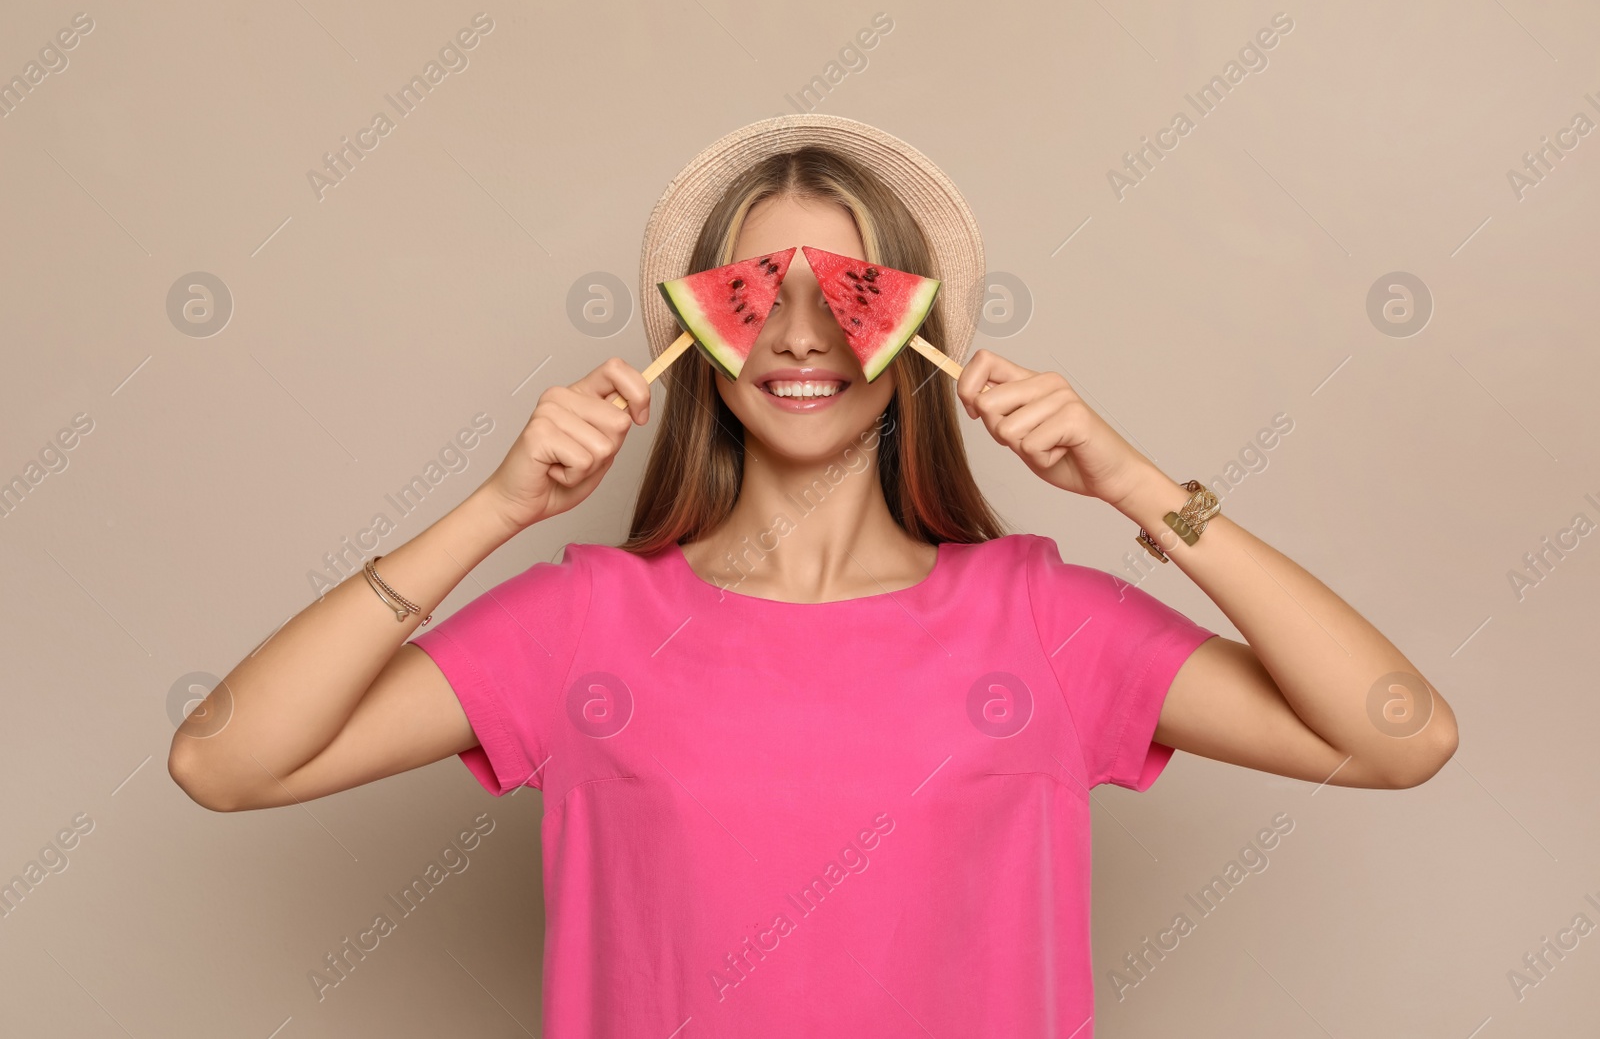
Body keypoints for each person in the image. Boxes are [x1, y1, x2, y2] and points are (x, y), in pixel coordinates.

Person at [168, 116, 1457, 1038]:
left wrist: (1136, 486)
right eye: (753, 291)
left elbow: (1400, 735)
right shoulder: (584, 624)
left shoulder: (1041, 618)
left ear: (919, 339)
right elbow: (224, 760)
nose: (797, 331)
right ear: (694, 337)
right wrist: (495, 511)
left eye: (848, 292)